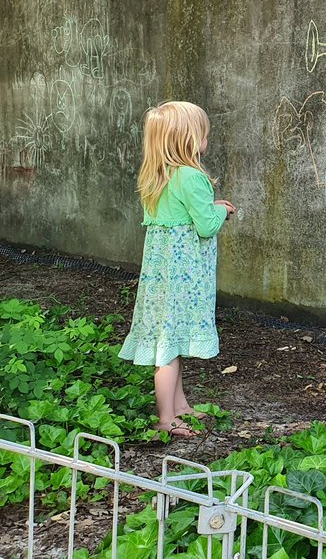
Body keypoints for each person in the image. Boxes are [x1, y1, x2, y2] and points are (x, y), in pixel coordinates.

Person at [119, 101, 236, 438]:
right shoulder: (192, 177)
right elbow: (204, 227)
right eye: (203, 133)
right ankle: (166, 418)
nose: (206, 139)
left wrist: (209, 206)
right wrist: (221, 212)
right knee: (168, 349)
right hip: (185, 278)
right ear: (188, 138)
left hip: (161, 279)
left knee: (170, 340)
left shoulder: (156, 176)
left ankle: (180, 405)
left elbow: (179, 214)